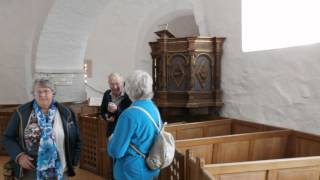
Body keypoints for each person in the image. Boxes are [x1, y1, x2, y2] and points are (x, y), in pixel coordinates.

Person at [2, 78, 81, 180]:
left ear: (53, 92)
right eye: (38, 91)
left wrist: (74, 161)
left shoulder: (67, 113)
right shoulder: (21, 113)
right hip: (31, 169)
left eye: (46, 91)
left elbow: (77, 140)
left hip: (60, 168)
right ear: (33, 94)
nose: (42, 95)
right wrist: (19, 155)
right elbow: (7, 137)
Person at [108, 70, 161, 180]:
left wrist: (112, 139)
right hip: (151, 167)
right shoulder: (153, 108)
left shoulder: (129, 115)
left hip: (131, 172)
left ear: (130, 89)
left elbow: (116, 151)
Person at [100, 72, 131, 137]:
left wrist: (116, 110)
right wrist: (106, 116)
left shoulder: (129, 96)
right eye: (112, 84)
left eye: (117, 84)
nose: (114, 87)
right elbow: (102, 110)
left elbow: (129, 116)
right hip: (111, 131)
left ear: (122, 83)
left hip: (125, 132)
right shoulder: (107, 94)